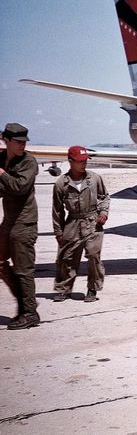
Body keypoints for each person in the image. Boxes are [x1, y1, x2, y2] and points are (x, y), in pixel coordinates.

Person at [52, 146, 110, 302]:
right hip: (72, 222)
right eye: (80, 162)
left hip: (93, 222)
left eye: (85, 161)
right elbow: (57, 210)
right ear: (70, 161)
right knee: (66, 257)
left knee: (93, 255)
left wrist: (103, 213)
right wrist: (58, 231)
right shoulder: (61, 184)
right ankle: (64, 289)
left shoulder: (95, 179)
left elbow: (104, 197)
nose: (84, 164)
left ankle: (92, 289)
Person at [0, 123, 40, 329]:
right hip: (8, 222)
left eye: (24, 142)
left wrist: (2, 174)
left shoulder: (28, 161)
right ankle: (24, 304)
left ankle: (30, 312)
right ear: (5, 140)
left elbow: (19, 187)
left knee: (24, 270)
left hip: (24, 223)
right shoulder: (2, 160)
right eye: (18, 142)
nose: (22, 146)